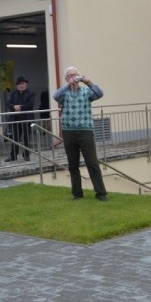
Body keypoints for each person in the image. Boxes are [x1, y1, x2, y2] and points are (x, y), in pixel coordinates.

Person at [53, 67, 108, 201]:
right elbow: (55, 96)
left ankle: (101, 193)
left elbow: (100, 93)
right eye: (70, 76)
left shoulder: (86, 92)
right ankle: (77, 193)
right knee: (73, 164)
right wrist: (68, 85)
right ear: (66, 79)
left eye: (75, 75)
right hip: (68, 132)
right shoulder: (64, 94)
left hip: (85, 132)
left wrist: (88, 82)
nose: (73, 78)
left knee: (92, 163)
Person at [5, 76, 35, 161]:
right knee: (15, 138)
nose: (22, 85)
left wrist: (20, 107)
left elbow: (30, 104)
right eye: (20, 84)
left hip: (26, 119)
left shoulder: (30, 93)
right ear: (17, 85)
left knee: (26, 138)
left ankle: (26, 154)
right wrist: (14, 107)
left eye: (23, 84)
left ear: (26, 84)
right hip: (15, 119)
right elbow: (9, 103)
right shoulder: (13, 94)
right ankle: (13, 155)